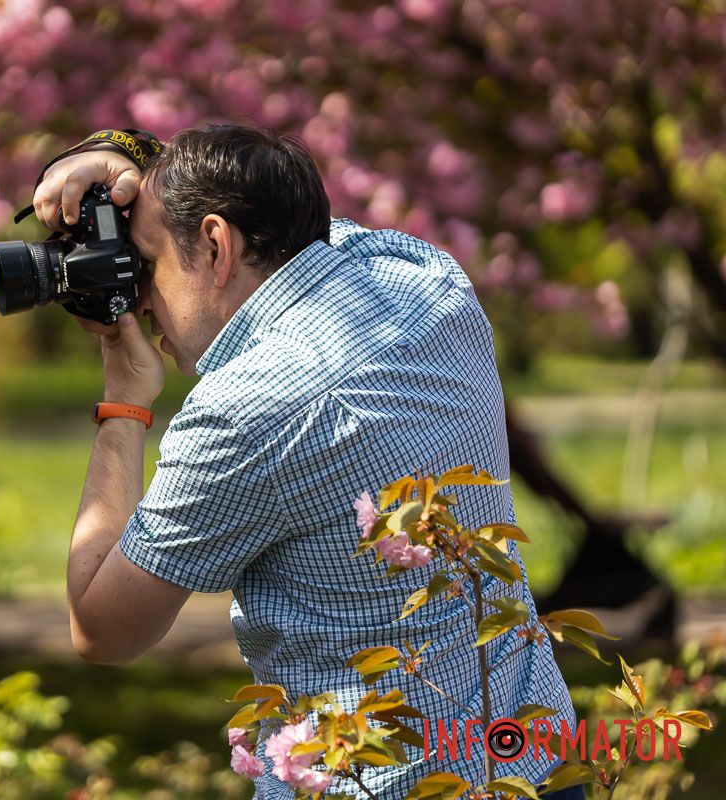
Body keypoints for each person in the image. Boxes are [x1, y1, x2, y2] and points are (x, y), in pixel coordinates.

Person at [32, 124, 579, 799]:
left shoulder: (247, 411)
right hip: (533, 766)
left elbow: (101, 628)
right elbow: (285, 212)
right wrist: (131, 154)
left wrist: (123, 401)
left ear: (213, 244)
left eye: (144, 261)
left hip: (379, 784)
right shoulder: (423, 274)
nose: (139, 299)